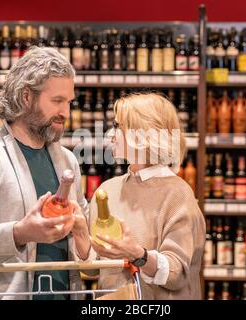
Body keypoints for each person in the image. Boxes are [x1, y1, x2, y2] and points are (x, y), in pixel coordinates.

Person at [0, 47, 91, 300]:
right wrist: (19, 232)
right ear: (26, 97)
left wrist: (83, 233)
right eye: (57, 101)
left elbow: (86, 243)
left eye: (69, 102)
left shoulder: (68, 162)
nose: (65, 112)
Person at [87, 92, 206, 299]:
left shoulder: (178, 194)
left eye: (117, 127)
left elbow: (176, 274)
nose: (110, 135)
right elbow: (92, 269)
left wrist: (137, 254)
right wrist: (79, 233)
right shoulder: (107, 191)